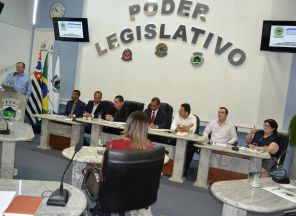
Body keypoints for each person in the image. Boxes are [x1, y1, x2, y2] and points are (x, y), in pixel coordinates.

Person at [170, 103, 197, 177]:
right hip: (177, 139)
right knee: (170, 146)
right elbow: (172, 127)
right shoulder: (177, 116)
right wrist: (185, 128)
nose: (179, 111)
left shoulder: (193, 118)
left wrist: (179, 127)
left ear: (186, 112)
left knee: (190, 151)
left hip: (188, 142)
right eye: (179, 110)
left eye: (181, 110)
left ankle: (185, 169)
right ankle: (173, 168)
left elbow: (192, 130)